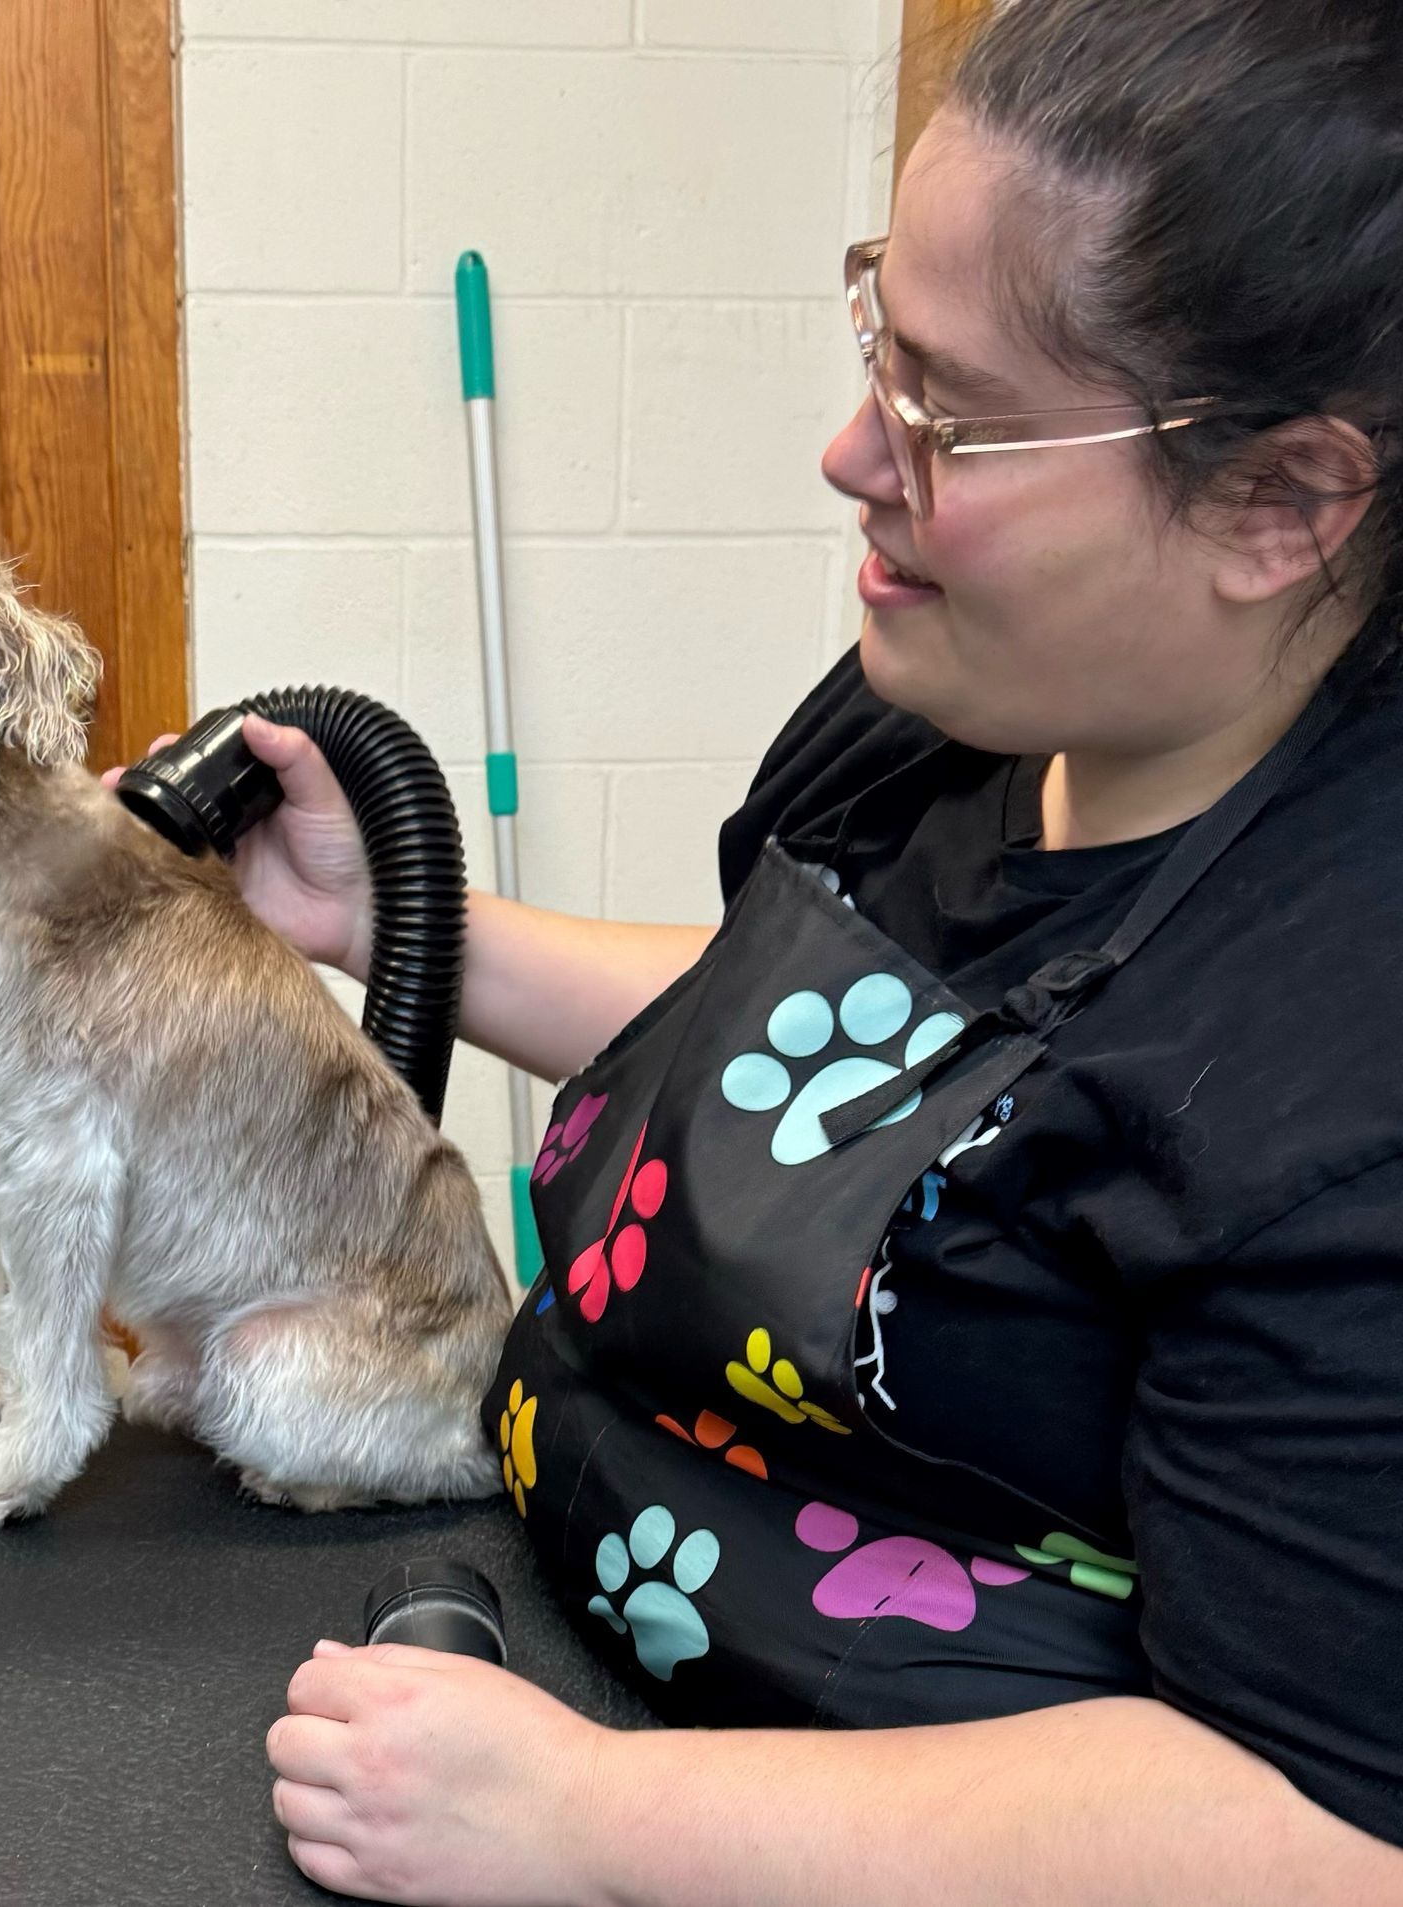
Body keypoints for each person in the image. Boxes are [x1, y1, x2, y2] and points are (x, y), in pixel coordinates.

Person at [114, 2, 1403, 1898]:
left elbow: (1329, 1828)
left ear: (1280, 504)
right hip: (553, 1627)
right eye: (882, 337)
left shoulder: (1348, 1071)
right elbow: (822, 1067)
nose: (850, 453)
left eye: (948, 413)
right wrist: (389, 918)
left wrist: (580, 1822)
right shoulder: (951, 709)